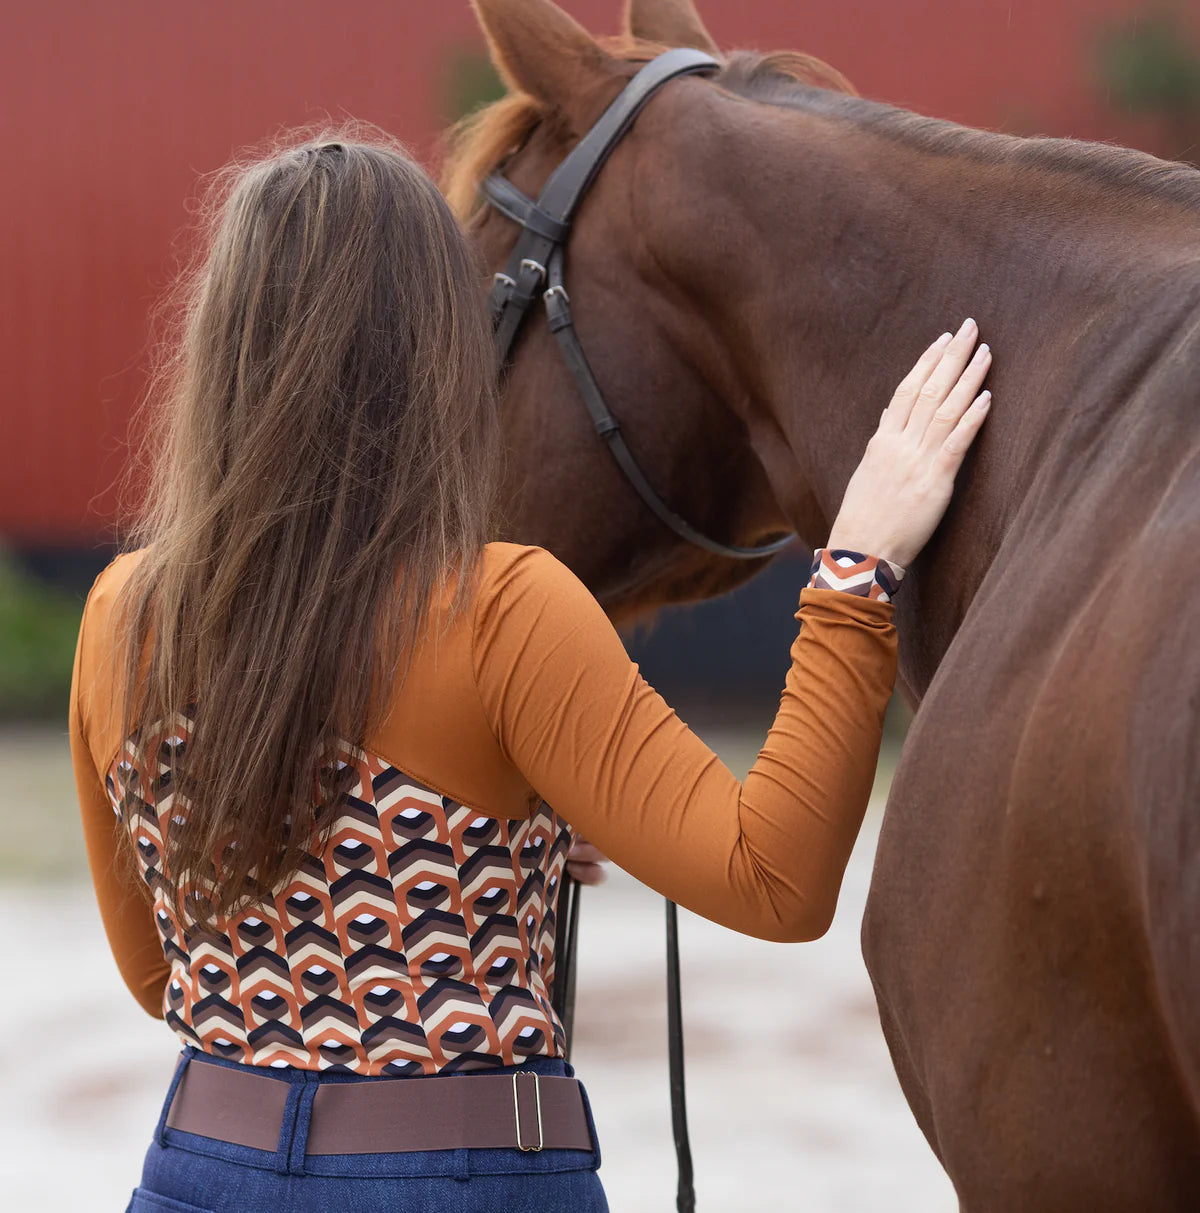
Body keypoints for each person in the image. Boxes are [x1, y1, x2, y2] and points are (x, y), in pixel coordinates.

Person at [69, 134, 992, 1213]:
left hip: (200, 1166)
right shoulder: (503, 608)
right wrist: (857, 568)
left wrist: (495, 850)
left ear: (224, 345)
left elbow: (165, 975)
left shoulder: (118, 618)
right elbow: (773, 878)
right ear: (433, 348)